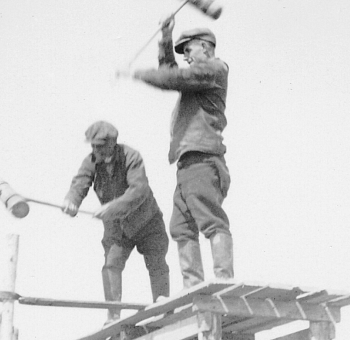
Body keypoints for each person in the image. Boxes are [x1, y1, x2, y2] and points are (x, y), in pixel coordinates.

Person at [123, 22, 233, 288]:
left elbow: (173, 78)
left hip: (203, 160)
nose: (185, 56)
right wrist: (165, 38)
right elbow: (170, 73)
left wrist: (139, 74)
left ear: (206, 47)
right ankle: (193, 287)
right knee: (181, 227)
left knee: (210, 219)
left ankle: (224, 281)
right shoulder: (200, 75)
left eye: (188, 49)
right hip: (189, 163)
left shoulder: (215, 69)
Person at [62, 121, 170, 323]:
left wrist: (111, 208)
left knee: (156, 262)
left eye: (100, 146)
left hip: (147, 221)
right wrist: (71, 201)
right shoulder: (91, 161)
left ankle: (163, 308)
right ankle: (113, 316)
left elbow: (139, 191)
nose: (96, 150)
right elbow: (80, 183)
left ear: (113, 143)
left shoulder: (131, 157)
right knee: (111, 265)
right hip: (117, 229)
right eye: (93, 146)